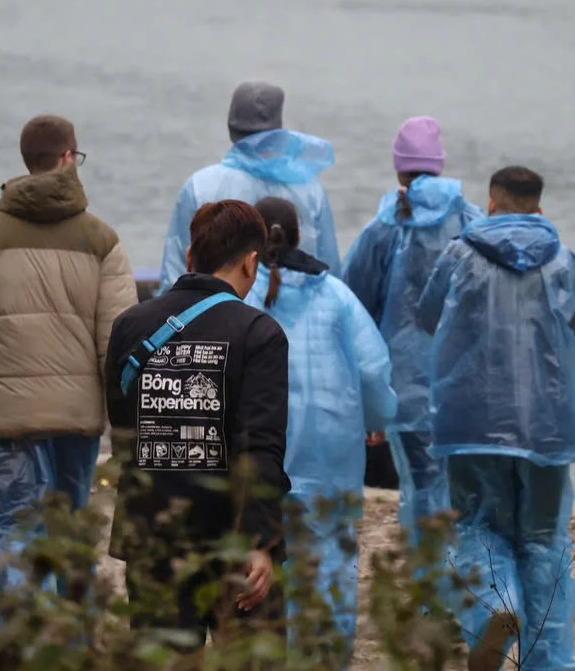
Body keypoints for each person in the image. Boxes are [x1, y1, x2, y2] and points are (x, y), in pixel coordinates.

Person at [0, 115, 137, 632]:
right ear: (69, 158)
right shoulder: (103, 241)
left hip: (8, 417)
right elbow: (117, 342)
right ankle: (68, 638)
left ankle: (24, 636)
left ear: (27, 161)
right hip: (76, 416)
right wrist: (115, 412)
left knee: (10, 522)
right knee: (70, 526)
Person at [416, 167, 575, 671]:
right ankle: (548, 661)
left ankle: (495, 605)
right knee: (543, 541)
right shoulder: (564, 259)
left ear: (490, 204)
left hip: (470, 421)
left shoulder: (459, 253)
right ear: (539, 209)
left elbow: (428, 317)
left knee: (476, 524)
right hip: (547, 425)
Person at [106, 200, 290, 655]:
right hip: (231, 539)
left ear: (191, 256)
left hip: (153, 534)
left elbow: (124, 429)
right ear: (251, 262)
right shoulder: (258, 333)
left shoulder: (130, 325)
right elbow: (260, 449)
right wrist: (261, 540)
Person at [245, 197, 397, 664]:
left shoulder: (241, 296)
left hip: (262, 450)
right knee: (330, 558)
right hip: (331, 452)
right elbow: (373, 370)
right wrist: (374, 423)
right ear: (298, 237)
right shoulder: (334, 295)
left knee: (264, 557)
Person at [342, 117, 482, 546]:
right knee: (464, 488)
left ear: (399, 169)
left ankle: (429, 585)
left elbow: (353, 303)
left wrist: (363, 393)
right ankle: (468, 582)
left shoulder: (385, 226)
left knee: (419, 486)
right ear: (439, 166)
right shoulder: (472, 221)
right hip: (465, 382)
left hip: (404, 385)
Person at [159, 80, 341, 292]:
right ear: (278, 129)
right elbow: (331, 271)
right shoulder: (311, 189)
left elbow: (175, 272)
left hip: (220, 319)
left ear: (231, 127)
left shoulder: (199, 186)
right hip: (303, 322)